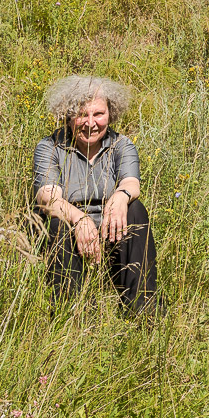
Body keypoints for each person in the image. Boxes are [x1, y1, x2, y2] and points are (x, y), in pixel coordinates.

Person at [33, 75, 159, 312]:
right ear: (68, 116)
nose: (90, 123)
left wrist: (121, 196)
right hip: (71, 237)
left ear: (110, 115)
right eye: (82, 114)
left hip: (112, 234)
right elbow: (47, 197)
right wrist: (79, 219)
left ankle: (142, 305)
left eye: (98, 114)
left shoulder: (121, 145)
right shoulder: (50, 146)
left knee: (136, 210)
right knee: (56, 223)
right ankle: (70, 311)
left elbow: (132, 183)